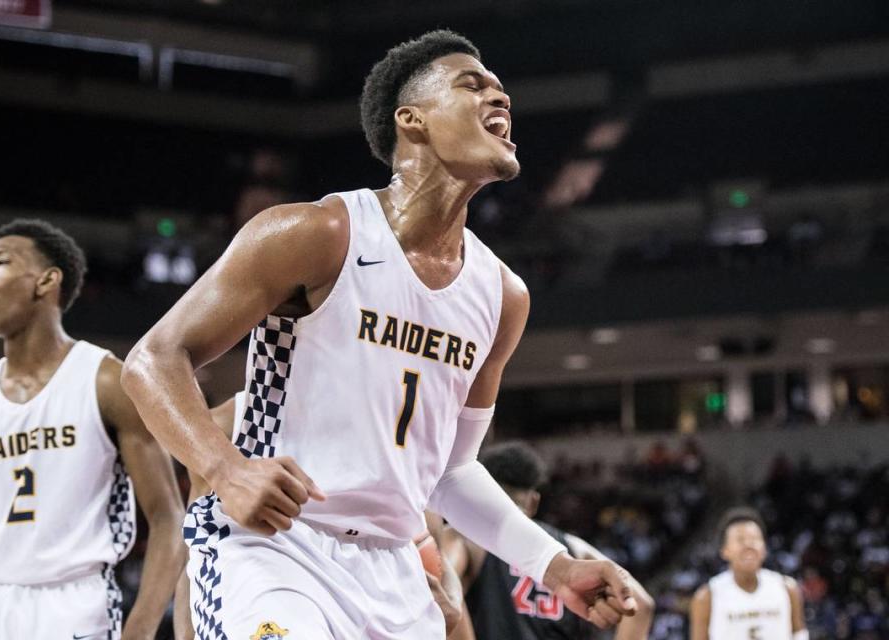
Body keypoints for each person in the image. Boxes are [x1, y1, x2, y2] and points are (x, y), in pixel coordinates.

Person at [122, 29, 638, 639]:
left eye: (501, 91)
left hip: (395, 570)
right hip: (276, 550)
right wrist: (227, 468)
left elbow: (451, 470)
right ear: (412, 120)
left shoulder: (503, 296)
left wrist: (552, 566)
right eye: (473, 86)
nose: (499, 99)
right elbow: (154, 359)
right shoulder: (313, 234)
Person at [0, 219, 187, 639]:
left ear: (46, 281)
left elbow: (167, 518)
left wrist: (139, 628)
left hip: (73, 604)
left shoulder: (103, 381)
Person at [173, 392, 469, 638]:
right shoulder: (242, 422)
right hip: (282, 588)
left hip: (391, 607)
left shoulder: (411, 432)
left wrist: (452, 602)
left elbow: (444, 576)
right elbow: (197, 562)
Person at [445, 441, 655, 640]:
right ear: (534, 501)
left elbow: (441, 584)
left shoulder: (466, 538)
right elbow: (641, 605)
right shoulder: (572, 546)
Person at [690, 507, 807, 640]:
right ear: (724, 550)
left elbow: (799, 634)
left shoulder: (787, 588)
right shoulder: (707, 597)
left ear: (764, 548)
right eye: (740, 540)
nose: (748, 545)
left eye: (754, 539)